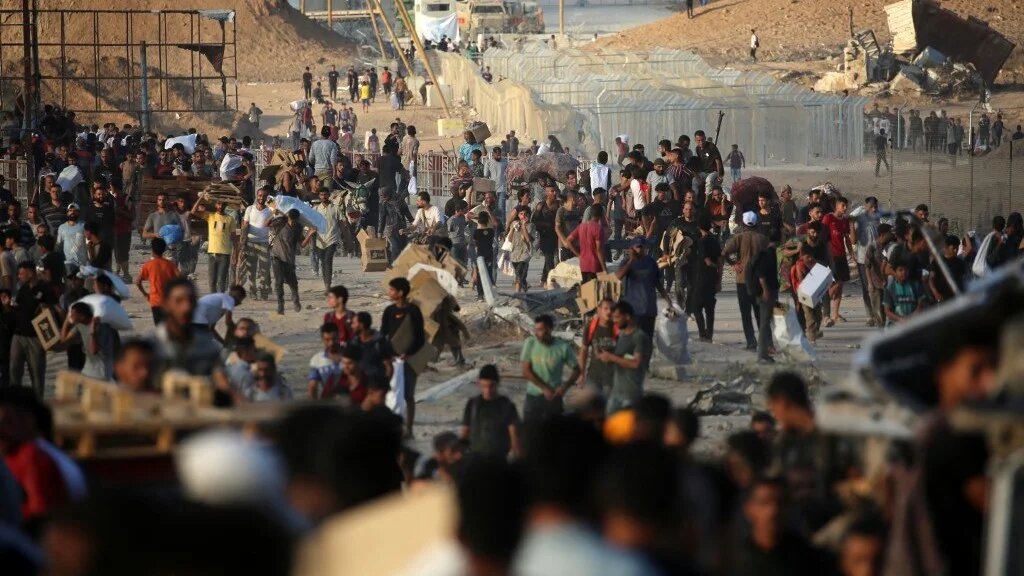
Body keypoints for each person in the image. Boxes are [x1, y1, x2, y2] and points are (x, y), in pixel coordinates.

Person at [0, 387, 70, 522]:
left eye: (7, 423)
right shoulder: (41, 450)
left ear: (28, 421)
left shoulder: (32, 458)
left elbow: (39, 517)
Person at [729, 476, 820, 575]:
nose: (773, 511)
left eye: (780, 503)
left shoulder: (809, 559)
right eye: (765, 503)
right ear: (749, 509)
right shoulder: (735, 561)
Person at [380, 277, 425, 438]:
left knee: (408, 395)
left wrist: (409, 353)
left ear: (400, 293)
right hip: (392, 361)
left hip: (410, 360)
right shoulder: (389, 311)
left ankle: (409, 429)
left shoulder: (413, 311)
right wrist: (387, 355)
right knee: (389, 394)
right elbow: (382, 335)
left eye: (392, 290)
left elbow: (420, 337)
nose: (389, 292)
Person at [520, 314, 580, 425]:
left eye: (540, 330)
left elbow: (577, 369)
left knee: (554, 431)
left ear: (549, 330)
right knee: (529, 430)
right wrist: (544, 388)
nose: (536, 333)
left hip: (554, 398)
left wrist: (564, 387)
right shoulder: (530, 343)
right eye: (536, 330)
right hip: (533, 396)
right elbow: (526, 370)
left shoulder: (562, 347)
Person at [723, 211, 769, 351]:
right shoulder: (763, 239)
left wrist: (733, 264)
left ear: (743, 223)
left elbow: (724, 253)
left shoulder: (738, 238)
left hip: (742, 279)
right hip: (759, 279)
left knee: (745, 312)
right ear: (756, 223)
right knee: (759, 312)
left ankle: (751, 342)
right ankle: (764, 342)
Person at [616, 237, 673, 348]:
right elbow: (618, 276)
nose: (640, 250)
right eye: (638, 247)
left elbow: (657, 283)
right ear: (631, 248)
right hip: (632, 310)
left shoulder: (650, 262)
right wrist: (631, 260)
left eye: (642, 247)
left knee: (647, 341)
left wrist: (668, 300)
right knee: (634, 341)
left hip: (649, 309)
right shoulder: (626, 262)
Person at [10, 262, 57, 396]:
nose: (19, 276)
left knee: (36, 373)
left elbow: (54, 308)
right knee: (14, 370)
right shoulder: (22, 288)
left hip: (36, 337)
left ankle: (37, 403)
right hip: (18, 336)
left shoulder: (45, 288)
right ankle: (15, 402)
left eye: (21, 273)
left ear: (30, 273)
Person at [459, 364, 521, 459]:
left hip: (499, 460)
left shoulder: (506, 405)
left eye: (491, 386)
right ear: (479, 384)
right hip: (476, 459)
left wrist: (518, 460)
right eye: (484, 386)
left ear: (497, 383)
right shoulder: (473, 404)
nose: (487, 390)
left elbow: (514, 437)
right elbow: (465, 433)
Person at [597, 301, 648, 414]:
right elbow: (622, 358)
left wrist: (611, 357)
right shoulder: (621, 335)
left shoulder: (639, 337)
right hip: (616, 393)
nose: (614, 320)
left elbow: (635, 363)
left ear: (627, 317)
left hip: (631, 396)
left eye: (617, 317)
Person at [59, 301, 117, 381]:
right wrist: (66, 322)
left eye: (73, 313)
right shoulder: (79, 325)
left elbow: (94, 351)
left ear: (82, 316)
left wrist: (93, 333)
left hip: (102, 368)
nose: (70, 316)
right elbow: (63, 340)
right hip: (89, 365)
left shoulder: (101, 326)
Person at [189, 194, 235, 294]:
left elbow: (234, 237)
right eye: (218, 204)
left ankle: (221, 299)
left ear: (225, 205)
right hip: (212, 253)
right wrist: (201, 196)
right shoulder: (211, 216)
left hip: (225, 254)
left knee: (221, 280)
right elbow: (193, 211)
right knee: (212, 281)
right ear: (215, 205)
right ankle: (213, 299)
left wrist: (236, 252)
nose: (220, 206)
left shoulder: (230, 219)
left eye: (222, 204)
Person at [821, 196, 854, 326]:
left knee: (841, 285)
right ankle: (823, 308)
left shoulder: (845, 220)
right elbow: (823, 236)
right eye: (842, 206)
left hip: (842, 255)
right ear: (836, 206)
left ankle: (835, 314)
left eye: (846, 206)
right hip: (831, 256)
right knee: (835, 283)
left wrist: (852, 254)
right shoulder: (828, 218)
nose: (845, 208)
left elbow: (847, 239)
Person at [689, 216, 721, 342]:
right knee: (709, 307)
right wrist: (718, 277)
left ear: (699, 227)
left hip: (702, 277)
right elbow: (720, 261)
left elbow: (707, 261)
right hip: (713, 277)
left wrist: (711, 265)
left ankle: (702, 334)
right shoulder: (715, 240)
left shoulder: (702, 242)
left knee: (696, 306)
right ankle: (710, 334)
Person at [135, 238, 180, 325]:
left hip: (155, 301)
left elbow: (137, 282)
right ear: (164, 249)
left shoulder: (148, 265)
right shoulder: (170, 264)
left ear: (152, 250)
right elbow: (180, 280)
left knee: (159, 327)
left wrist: (145, 294)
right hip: (168, 301)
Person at [241, 187, 274, 301]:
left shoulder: (270, 210)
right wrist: (243, 242)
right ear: (256, 195)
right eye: (260, 196)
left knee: (265, 269)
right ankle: (252, 290)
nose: (261, 198)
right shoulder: (250, 209)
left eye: (264, 196)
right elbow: (245, 225)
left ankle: (263, 289)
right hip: (251, 242)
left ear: (266, 197)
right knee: (251, 269)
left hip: (264, 242)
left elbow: (273, 224)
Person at [578, 298, 617, 395]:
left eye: (612, 309)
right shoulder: (591, 327)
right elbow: (584, 350)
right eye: (606, 308)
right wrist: (581, 374)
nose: (609, 312)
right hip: (593, 378)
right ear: (599, 310)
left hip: (612, 380)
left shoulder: (618, 328)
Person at [348, 311, 395, 383]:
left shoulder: (379, 342)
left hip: (375, 384)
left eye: (354, 323)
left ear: (361, 325)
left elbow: (389, 367)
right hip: (359, 385)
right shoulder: (354, 342)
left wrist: (384, 385)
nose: (352, 326)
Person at [566, 204, 607, 283]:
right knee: (595, 289)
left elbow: (568, 241)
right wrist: (604, 268)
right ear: (601, 214)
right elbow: (599, 250)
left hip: (583, 264)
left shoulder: (581, 226)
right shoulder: (598, 229)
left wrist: (578, 255)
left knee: (585, 288)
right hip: (595, 265)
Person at [790, 245, 822, 343]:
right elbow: (801, 279)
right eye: (807, 257)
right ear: (801, 256)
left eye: (811, 256)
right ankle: (812, 338)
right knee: (810, 316)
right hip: (804, 294)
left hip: (814, 293)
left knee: (818, 314)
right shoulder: (799, 265)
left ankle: (815, 332)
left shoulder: (814, 264)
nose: (810, 259)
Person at [141, 192, 184, 264]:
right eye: (159, 200)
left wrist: (174, 239)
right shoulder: (153, 216)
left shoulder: (174, 216)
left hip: (170, 252)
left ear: (168, 201)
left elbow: (182, 232)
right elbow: (144, 234)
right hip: (156, 252)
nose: (161, 201)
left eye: (164, 200)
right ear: (157, 201)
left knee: (170, 271)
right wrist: (155, 235)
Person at [929, 234, 967, 304]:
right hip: (943, 299)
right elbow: (931, 279)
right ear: (946, 247)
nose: (956, 251)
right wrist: (936, 293)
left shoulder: (960, 263)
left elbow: (963, 280)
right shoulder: (937, 262)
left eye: (957, 248)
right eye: (953, 248)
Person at [883, 260, 924, 324]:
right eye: (900, 270)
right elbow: (887, 311)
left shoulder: (916, 286)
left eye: (906, 270)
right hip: (896, 324)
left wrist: (911, 318)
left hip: (914, 322)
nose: (904, 272)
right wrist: (900, 319)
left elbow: (921, 305)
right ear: (895, 272)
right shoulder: (890, 289)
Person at [307, 323, 342, 399]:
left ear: (339, 336)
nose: (331, 343)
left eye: (334, 339)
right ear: (322, 340)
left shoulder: (350, 356)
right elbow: (312, 387)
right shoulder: (317, 360)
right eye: (327, 340)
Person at [509, 206, 535, 292]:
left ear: (529, 215)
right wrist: (512, 229)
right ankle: (525, 286)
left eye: (525, 214)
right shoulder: (514, 223)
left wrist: (523, 227)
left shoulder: (531, 225)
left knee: (519, 273)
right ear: (518, 215)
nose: (523, 216)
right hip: (514, 253)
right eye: (521, 214)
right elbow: (509, 239)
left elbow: (528, 240)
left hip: (525, 253)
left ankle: (518, 294)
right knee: (520, 275)